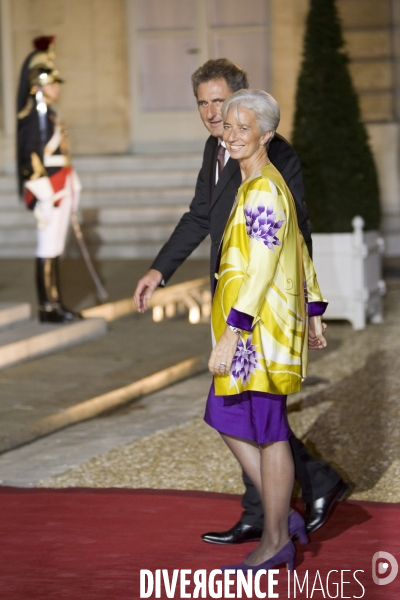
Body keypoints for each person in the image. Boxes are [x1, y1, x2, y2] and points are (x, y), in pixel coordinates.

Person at [134, 59, 348, 541]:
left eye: (221, 103)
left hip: (261, 308)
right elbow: (199, 216)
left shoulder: (274, 154)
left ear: (241, 102)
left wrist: (308, 306)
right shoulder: (216, 148)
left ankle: (273, 517)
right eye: (204, 104)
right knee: (244, 412)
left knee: (256, 414)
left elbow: (293, 233)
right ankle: (291, 499)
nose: (213, 114)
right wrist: (158, 269)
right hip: (232, 297)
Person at [206, 87, 327, 573]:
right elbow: (296, 244)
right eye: (229, 126)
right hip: (255, 327)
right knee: (226, 415)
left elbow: (260, 270)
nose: (232, 135)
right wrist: (314, 304)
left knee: (269, 432)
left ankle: (276, 538)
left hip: (257, 333)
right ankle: (282, 517)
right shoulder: (261, 180)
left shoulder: (263, 188)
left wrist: (232, 333)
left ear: (267, 135)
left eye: (243, 128)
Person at [16, 36, 82, 323]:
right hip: (48, 190)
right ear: (37, 87)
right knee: (47, 246)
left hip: (60, 185)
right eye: (51, 83)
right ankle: (47, 306)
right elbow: (29, 159)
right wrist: (42, 195)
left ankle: (55, 302)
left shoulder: (50, 116)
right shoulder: (33, 119)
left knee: (55, 246)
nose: (56, 88)